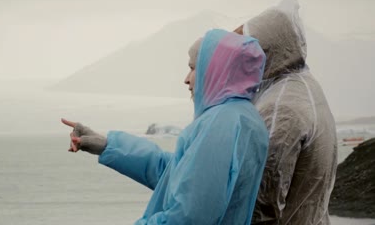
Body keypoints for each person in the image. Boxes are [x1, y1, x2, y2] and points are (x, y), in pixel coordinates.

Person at [62, 29, 269, 224]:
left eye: (193, 67)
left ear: (216, 69)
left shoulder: (221, 124)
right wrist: (108, 145)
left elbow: (190, 217)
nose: (186, 80)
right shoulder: (239, 117)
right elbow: (177, 176)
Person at [234, 0, 338, 224]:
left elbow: (263, 199)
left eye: (248, 49)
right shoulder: (304, 86)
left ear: (267, 50)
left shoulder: (281, 106)